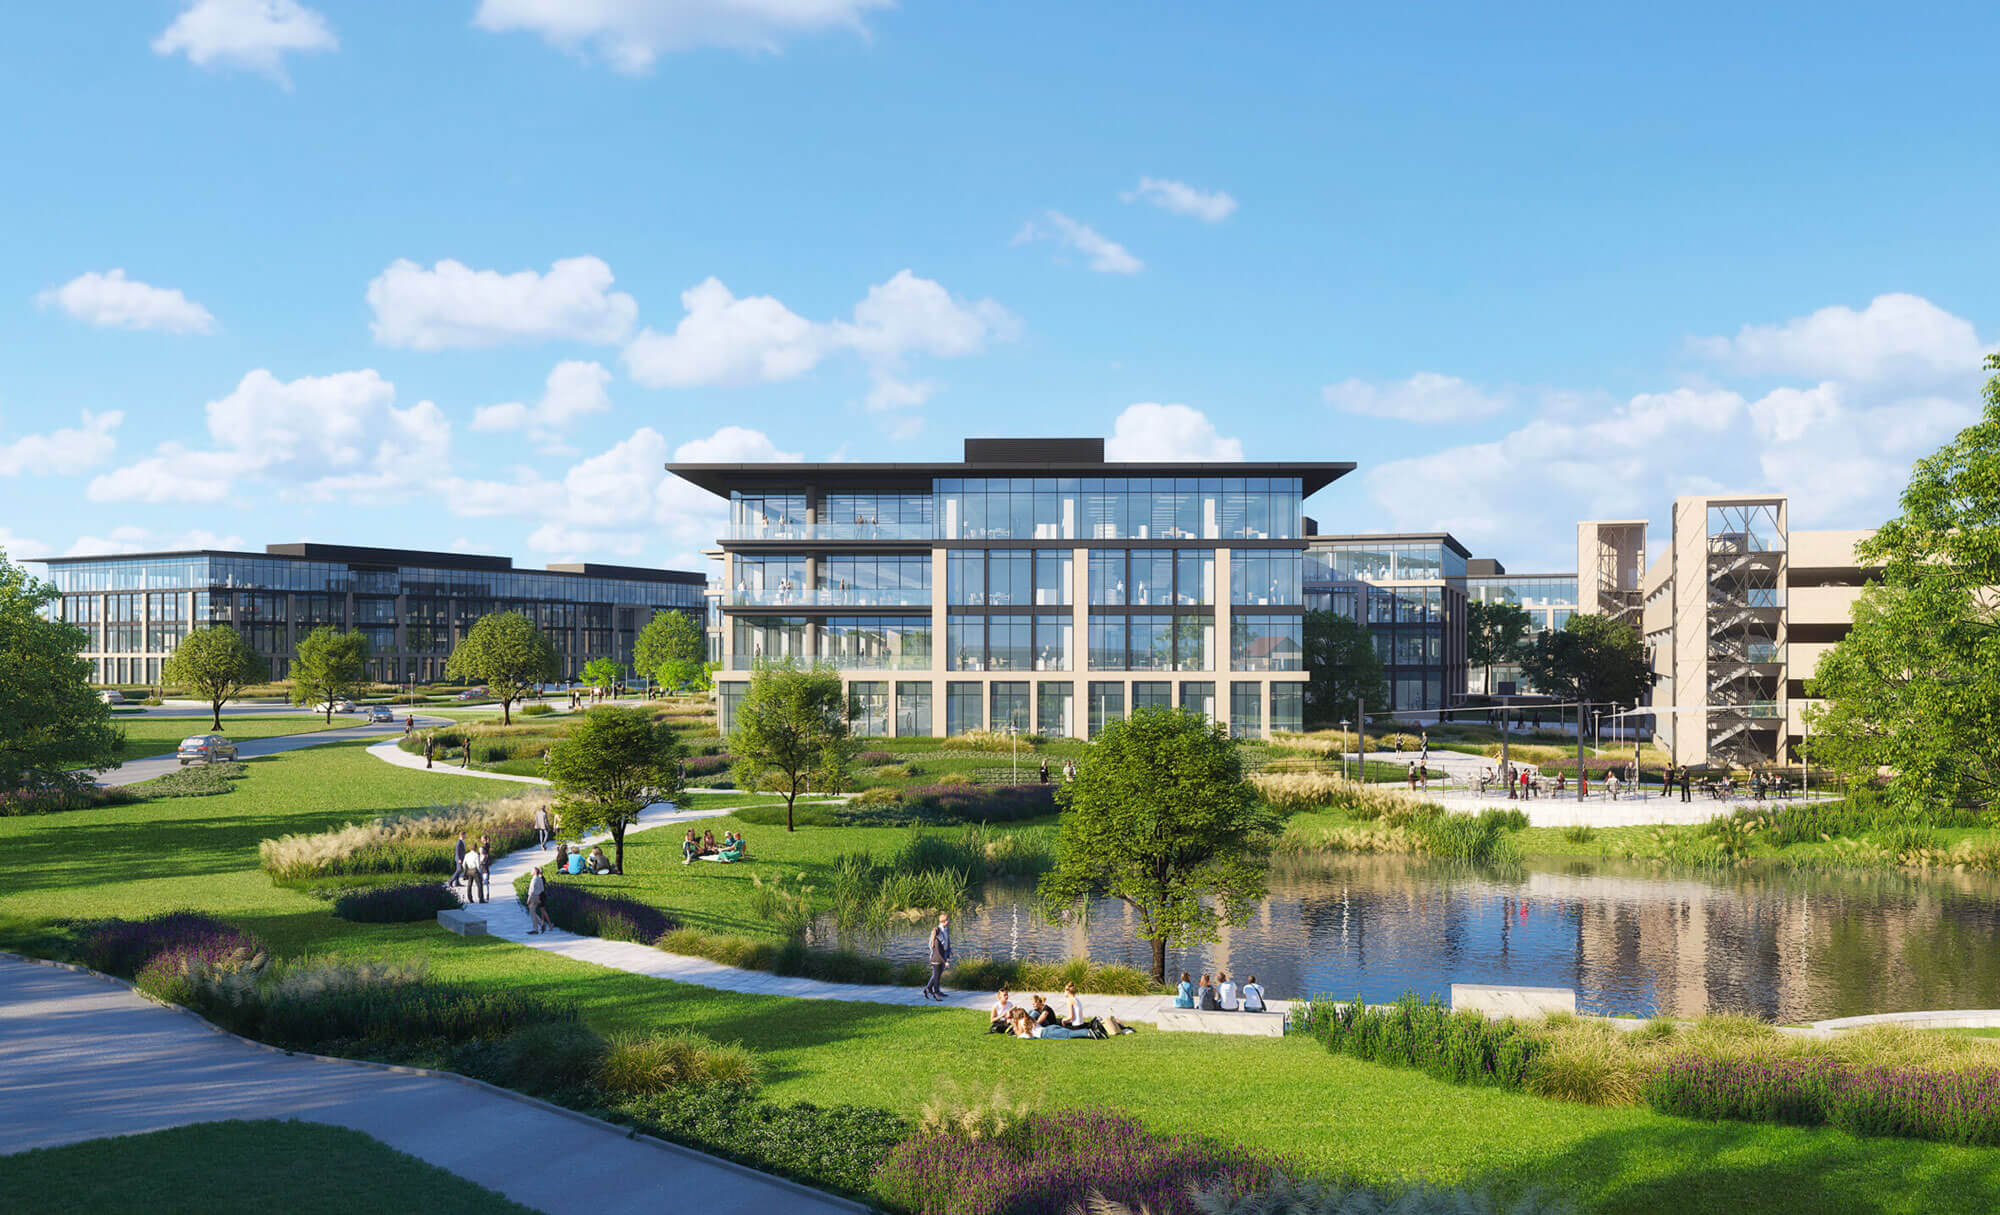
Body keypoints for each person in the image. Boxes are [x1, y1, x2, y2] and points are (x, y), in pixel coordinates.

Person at [923, 912, 952, 1001]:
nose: (949, 921)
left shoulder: (946, 929)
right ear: (944, 921)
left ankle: (934, 990)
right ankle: (931, 990)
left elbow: (947, 941)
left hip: (945, 954)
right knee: (936, 975)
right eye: (948, 919)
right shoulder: (937, 931)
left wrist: (950, 950)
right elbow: (931, 945)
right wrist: (936, 954)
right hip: (938, 956)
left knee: (938, 974)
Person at [526, 865, 551, 934]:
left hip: (533, 897)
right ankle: (540, 925)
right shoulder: (539, 879)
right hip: (538, 896)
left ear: (535, 872)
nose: (531, 872)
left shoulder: (534, 880)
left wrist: (529, 898)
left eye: (532, 871)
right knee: (532, 912)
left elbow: (532, 890)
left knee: (532, 912)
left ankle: (537, 928)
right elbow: (542, 889)